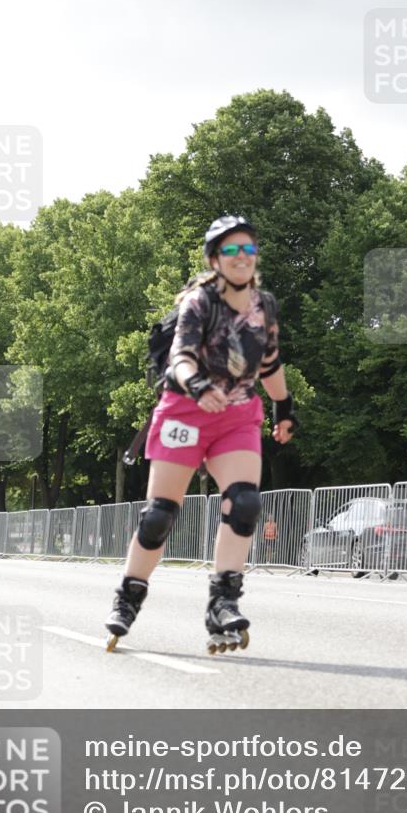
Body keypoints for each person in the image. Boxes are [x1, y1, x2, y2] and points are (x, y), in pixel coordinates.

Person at [105, 215, 297, 654]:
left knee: (245, 502)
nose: (241, 257)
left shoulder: (264, 305)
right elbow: (181, 357)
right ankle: (128, 596)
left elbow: (269, 362)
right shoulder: (199, 302)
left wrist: (283, 407)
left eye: (248, 248)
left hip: (236, 415)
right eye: (231, 250)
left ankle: (222, 603)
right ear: (215, 258)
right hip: (185, 411)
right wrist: (198, 385)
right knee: (159, 516)